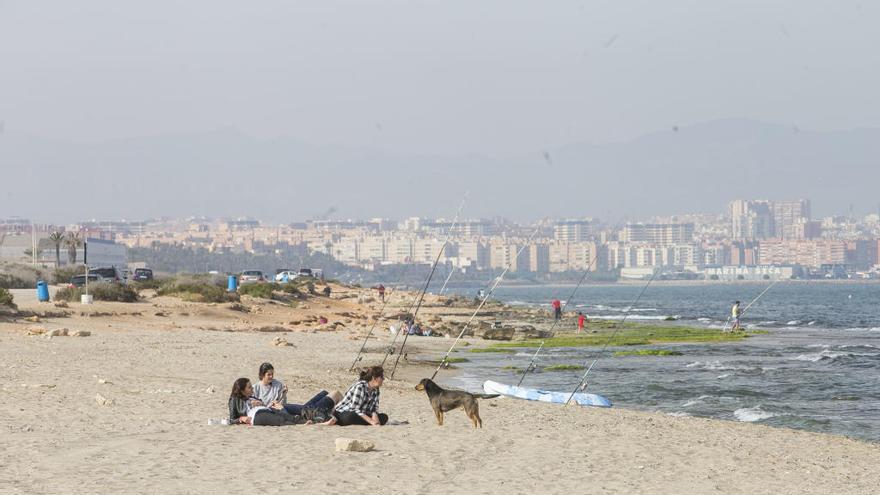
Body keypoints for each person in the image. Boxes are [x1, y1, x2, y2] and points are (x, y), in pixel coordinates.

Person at [251, 362, 337, 417]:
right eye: (268, 375)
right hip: (274, 411)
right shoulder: (256, 388)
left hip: (283, 408)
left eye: (272, 374)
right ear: (262, 375)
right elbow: (256, 408)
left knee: (309, 406)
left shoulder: (277, 384)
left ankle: (325, 396)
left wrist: (284, 395)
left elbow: (283, 403)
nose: (271, 377)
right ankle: (328, 405)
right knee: (306, 409)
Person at [321, 366, 388, 426]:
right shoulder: (360, 386)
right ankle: (365, 422)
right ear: (374, 378)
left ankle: (365, 422)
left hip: (362, 413)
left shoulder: (376, 390)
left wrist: (375, 418)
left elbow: (374, 409)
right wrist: (371, 421)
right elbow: (355, 409)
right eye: (381, 377)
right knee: (350, 417)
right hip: (345, 412)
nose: (383, 379)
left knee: (384, 417)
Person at [227, 377, 302, 426]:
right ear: (242, 390)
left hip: (267, 409)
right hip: (257, 414)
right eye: (249, 387)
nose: (252, 389)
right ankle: (302, 424)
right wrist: (241, 419)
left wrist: (261, 403)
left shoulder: (251, 397)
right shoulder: (234, 399)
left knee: (288, 416)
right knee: (280, 420)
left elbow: (263, 404)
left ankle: (305, 422)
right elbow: (231, 419)